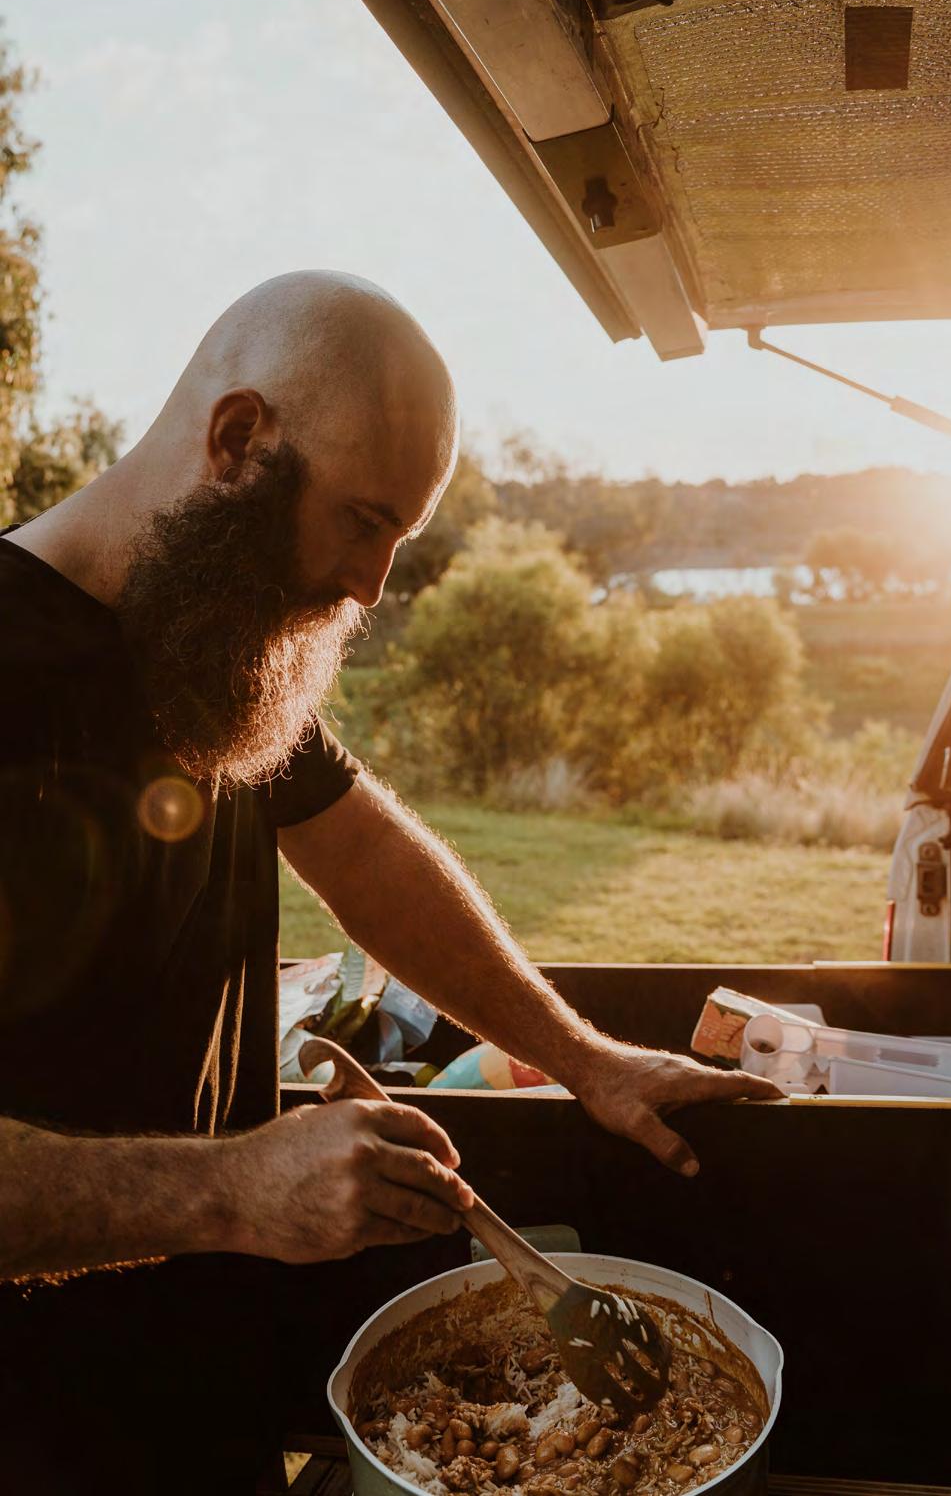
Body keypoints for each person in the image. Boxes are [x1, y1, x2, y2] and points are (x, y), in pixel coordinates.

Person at [0, 271, 778, 1490]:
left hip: (198, 1388)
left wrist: (587, 1060)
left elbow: (367, 856)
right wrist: (232, 1191)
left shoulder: (203, 643)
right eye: (363, 521)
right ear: (238, 439)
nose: (371, 586)